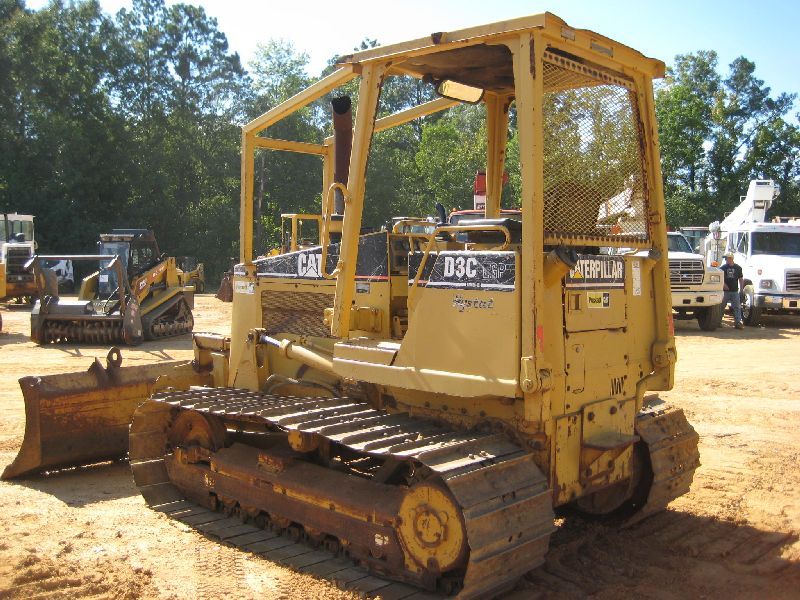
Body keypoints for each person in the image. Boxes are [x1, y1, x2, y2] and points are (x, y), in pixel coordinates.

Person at [719, 252, 744, 329]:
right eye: (725, 258)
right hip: (725, 292)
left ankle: (738, 322)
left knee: (737, 307)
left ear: (731, 258)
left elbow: (740, 279)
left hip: (734, 291)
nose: (726, 260)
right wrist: (723, 284)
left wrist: (741, 289)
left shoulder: (738, 268)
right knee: (721, 307)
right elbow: (719, 278)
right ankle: (718, 321)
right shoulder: (723, 268)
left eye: (726, 258)